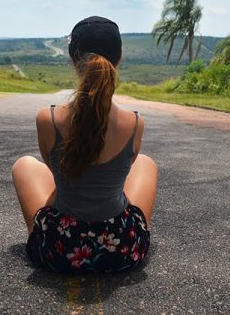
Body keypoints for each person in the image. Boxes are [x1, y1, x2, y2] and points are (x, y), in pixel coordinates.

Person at [11, 16, 158, 273]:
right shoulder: (135, 123)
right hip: (122, 250)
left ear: (72, 60)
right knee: (145, 163)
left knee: (24, 165)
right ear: (119, 59)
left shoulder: (49, 119)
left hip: (59, 252)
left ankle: (55, 233)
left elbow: (57, 176)